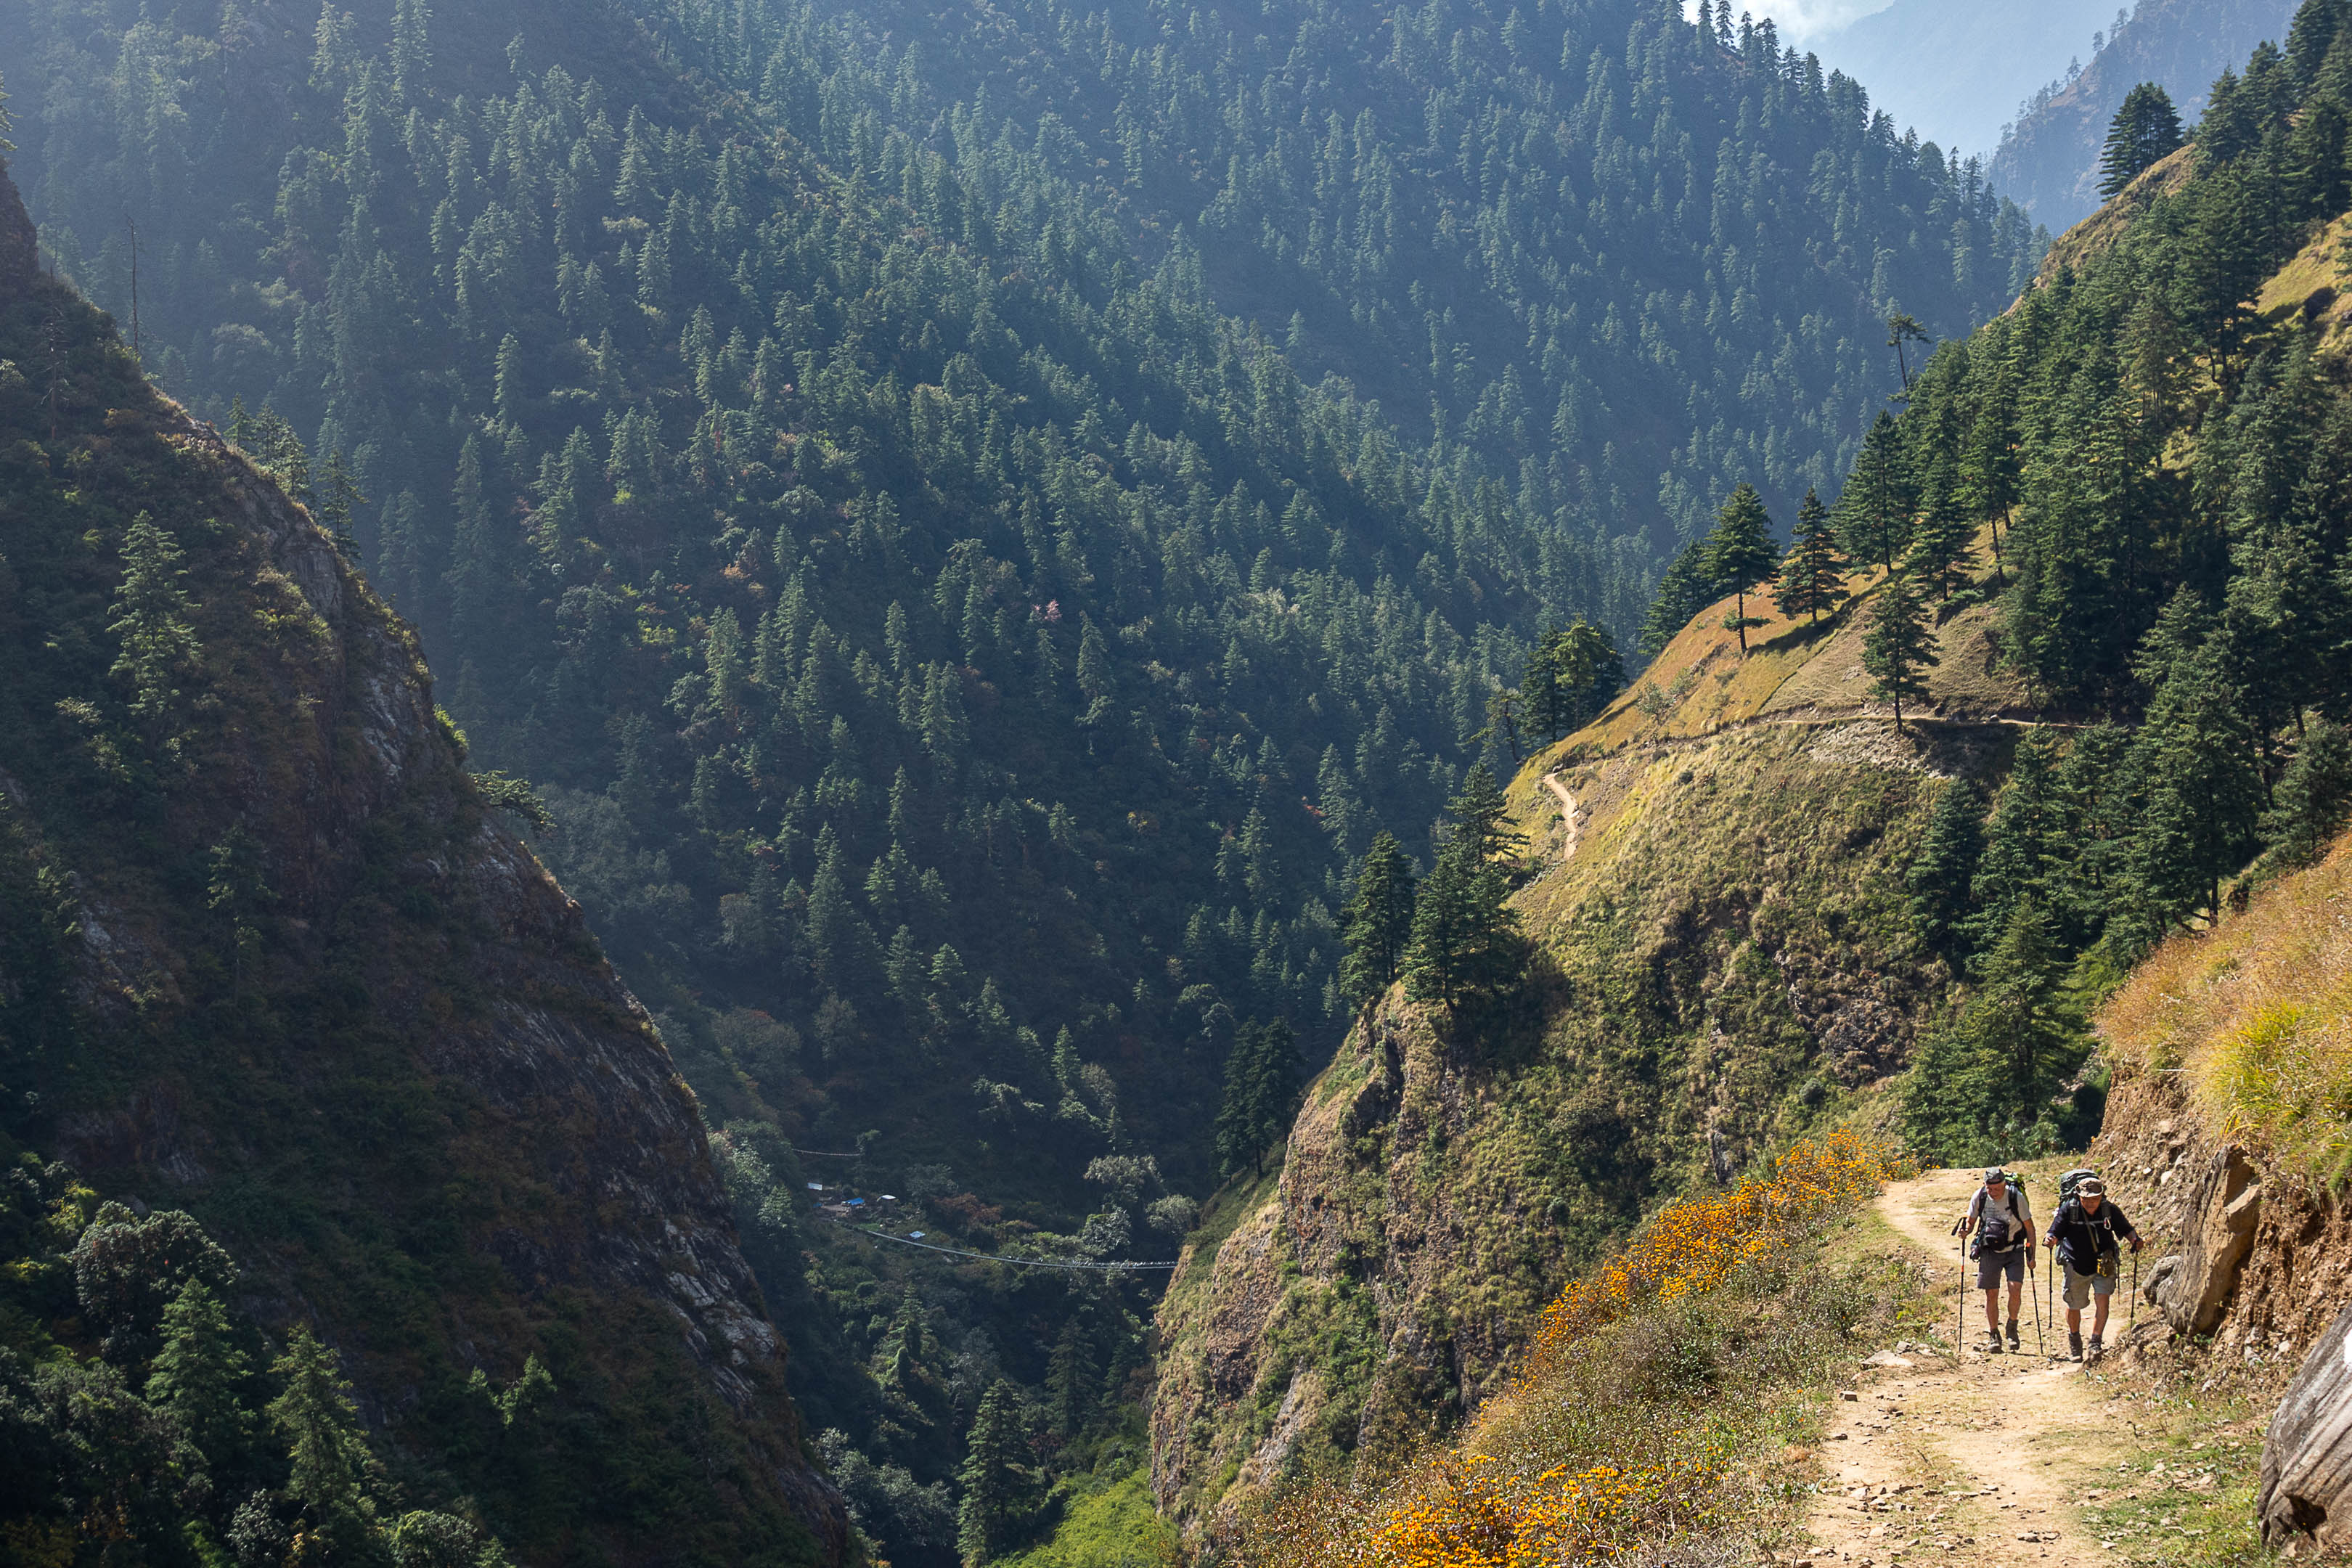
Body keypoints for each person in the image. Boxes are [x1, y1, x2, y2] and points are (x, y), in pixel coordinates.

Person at [2044, 1175, 2143, 1363]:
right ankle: (2075, 1339)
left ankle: (2095, 1342)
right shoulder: (2070, 1209)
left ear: (2101, 1196)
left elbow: (2126, 1229)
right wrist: (2050, 1240)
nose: (2090, 1203)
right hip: (2076, 1264)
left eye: (2095, 1199)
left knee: (2102, 1300)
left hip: (2103, 1264)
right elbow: (2054, 1231)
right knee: (2074, 1305)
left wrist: (2135, 1240)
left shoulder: (2109, 1210)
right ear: (2079, 1196)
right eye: (2086, 1199)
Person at [1953, 1167, 2034, 1352]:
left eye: (1997, 1188)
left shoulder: (2016, 1198)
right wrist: (1965, 1231)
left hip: (2014, 1249)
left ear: (2004, 1185)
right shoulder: (1980, 1196)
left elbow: (2030, 1227)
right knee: (1991, 1294)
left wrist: (2032, 1254)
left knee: (2015, 1289)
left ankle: (2012, 1328)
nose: (1993, 1192)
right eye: (1990, 1189)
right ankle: (1994, 1335)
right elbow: (1971, 1221)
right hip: (1989, 1250)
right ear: (1985, 1185)